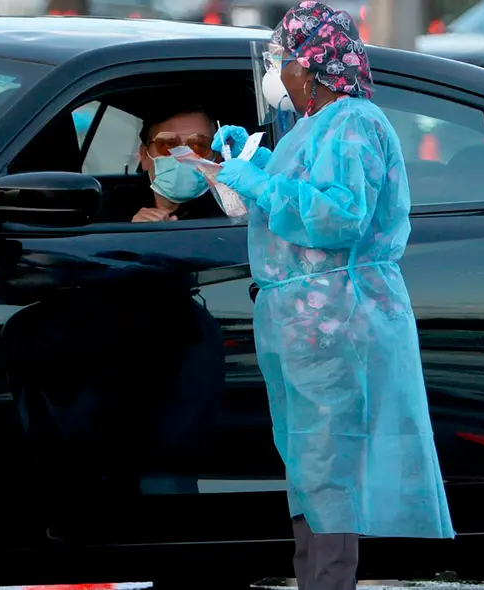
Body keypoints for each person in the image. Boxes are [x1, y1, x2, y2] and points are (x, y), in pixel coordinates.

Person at [211, 2, 455, 588]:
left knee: (328, 469)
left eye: (282, 60)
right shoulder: (317, 126)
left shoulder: (354, 122)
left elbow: (339, 215)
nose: (276, 73)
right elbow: (305, 190)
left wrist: (259, 181)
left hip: (338, 321)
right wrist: (254, 160)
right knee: (310, 467)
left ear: (314, 65)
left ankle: (328, 583)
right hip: (306, 325)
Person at [132, 108, 224, 222]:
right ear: (144, 155)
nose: (182, 157)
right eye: (167, 146)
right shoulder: (112, 208)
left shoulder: (234, 216)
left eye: (199, 146)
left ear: (217, 158)